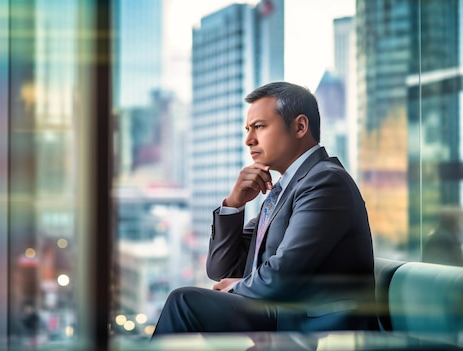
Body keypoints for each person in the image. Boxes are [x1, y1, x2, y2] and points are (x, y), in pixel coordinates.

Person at [153, 81, 377, 336]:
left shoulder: (325, 181)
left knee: (184, 302)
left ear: (300, 126)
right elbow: (222, 270)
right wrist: (234, 205)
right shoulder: (285, 188)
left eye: (259, 126)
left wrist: (235, 288)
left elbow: (284, 275)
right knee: (187, 303)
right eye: (248, 129)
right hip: (280, 316)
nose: (249, 140)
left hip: (315, 328)